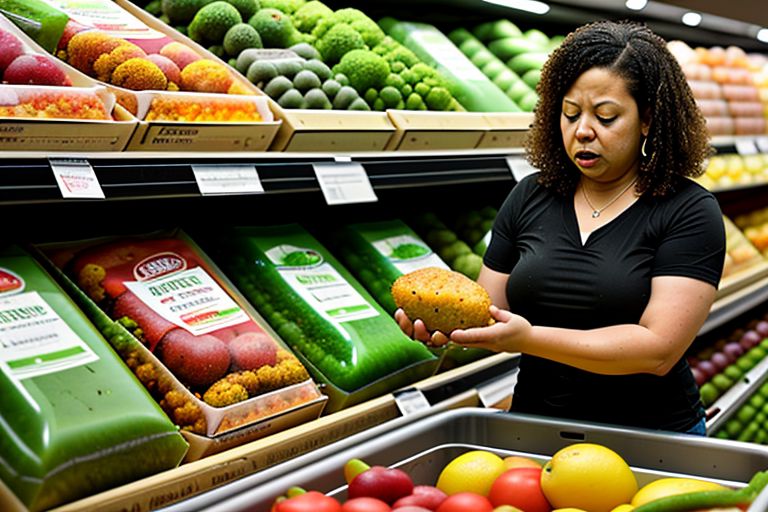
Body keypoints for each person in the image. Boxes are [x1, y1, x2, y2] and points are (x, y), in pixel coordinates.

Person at [396, 20, 725, 434]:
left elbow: (657, 350)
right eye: (570, 114)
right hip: (536, 427)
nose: (583, 131)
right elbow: (490, 311)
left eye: (606, 117)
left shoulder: (689, 210)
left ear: (648, 120)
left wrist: (528, 338)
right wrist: (442, 321)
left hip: (650, 436)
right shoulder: (530, 195)